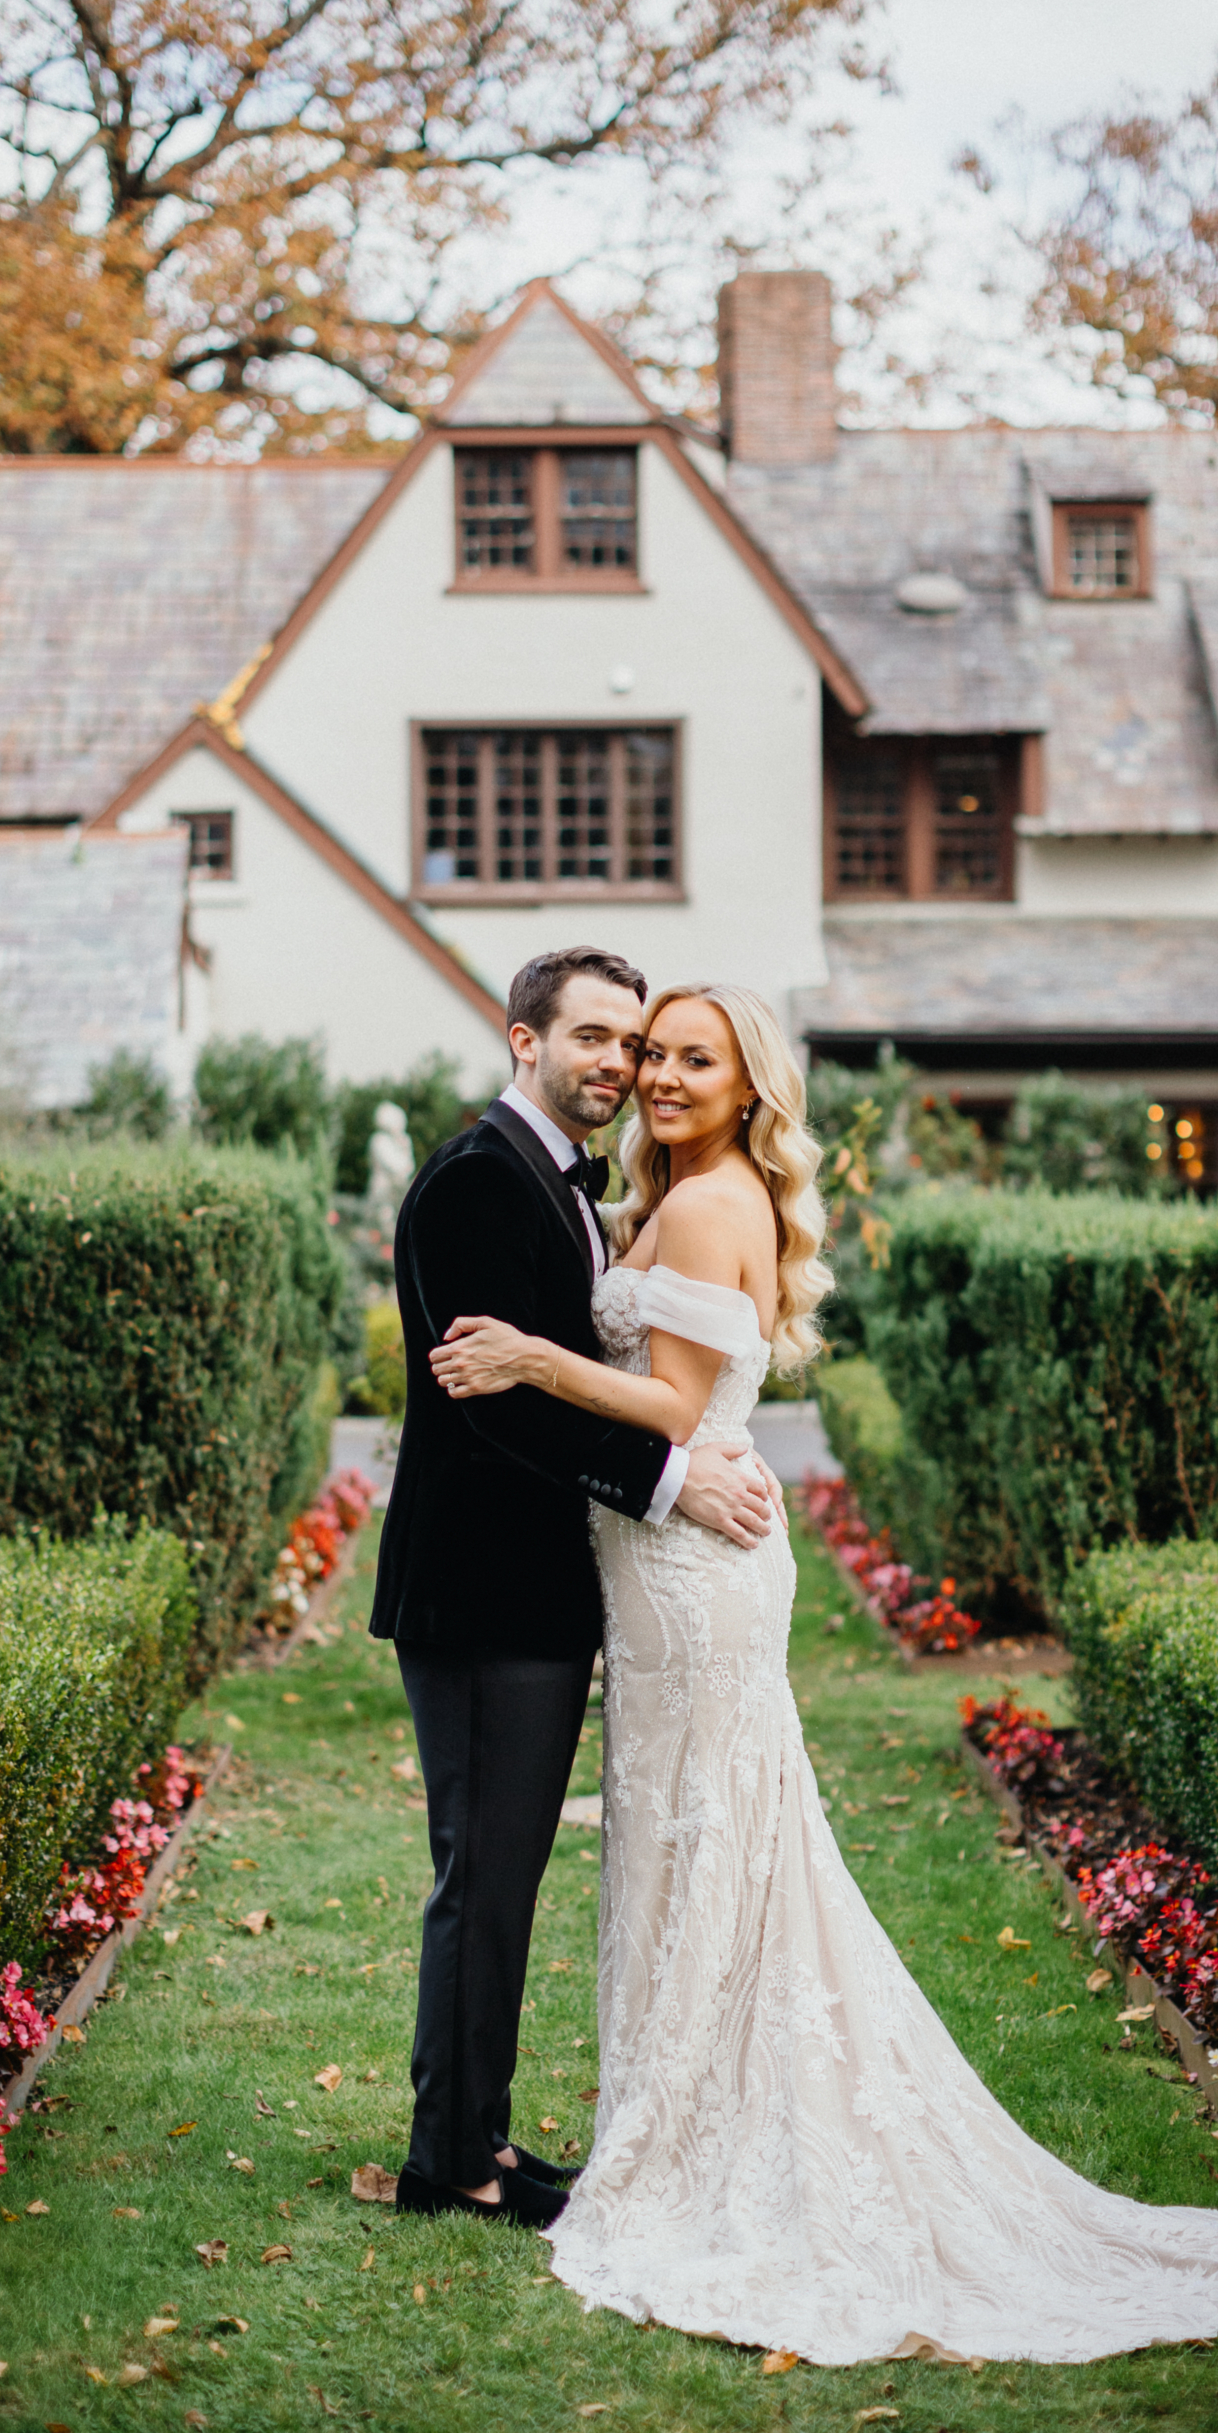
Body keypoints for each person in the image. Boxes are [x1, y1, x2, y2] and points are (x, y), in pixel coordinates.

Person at [428, 980, 1218, 2366]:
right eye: (651, 1053)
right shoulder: (674, 1193)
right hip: (673, 1565)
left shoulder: (699, 1201)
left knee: (700, 1835)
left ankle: (694, 2131)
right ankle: (687, 2116)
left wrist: (531, 1357)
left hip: (687, 1571)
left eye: (695, 1059)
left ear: (749, 1091)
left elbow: (677, 1408)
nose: (661, 1075)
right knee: (708, 1839)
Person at [371, 947, 783, 2229]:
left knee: (505, 1871)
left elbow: (558, 1367)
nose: (620, 1063)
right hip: (483, 1593)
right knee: (483, 1874)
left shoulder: (568, 1185)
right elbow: (496, 1412)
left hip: (542, 1593)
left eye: (638, 1042)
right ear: (522, 1041)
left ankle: (479, 2135)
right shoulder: (477, 1183)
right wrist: (669, 1480)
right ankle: (453, 2160)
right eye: (597, 1038)